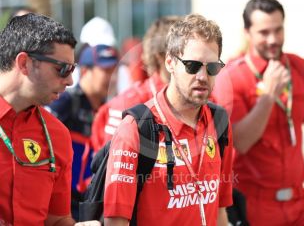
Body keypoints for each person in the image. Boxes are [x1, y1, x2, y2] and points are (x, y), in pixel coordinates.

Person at [212, 0, 304, 225]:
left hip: (299, 200)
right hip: (255, 203)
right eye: (264, 32)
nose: (273, 39)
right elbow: (240, 141)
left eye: (278, 30)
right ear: (247, 33)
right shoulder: (231, 77)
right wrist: (269, 95)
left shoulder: (302, 68)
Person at [103, 14, 233, 226]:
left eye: (212, 68)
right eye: (192, 66)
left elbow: (220, 212)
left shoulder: (219, 121)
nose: (202, 76)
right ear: (170, 63)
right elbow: (116, 222)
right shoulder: (135, 128)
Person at [0, 13, 99, 225]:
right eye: (62, 69)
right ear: (24, 63)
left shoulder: (57, 134)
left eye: (73, 69)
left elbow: (57, 220)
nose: (71, 80)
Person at [46, 44, 118, 220]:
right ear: (85, 71)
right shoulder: (64, 102)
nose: (113, 78)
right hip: (64, 204)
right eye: (106, 70)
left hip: (94, 200)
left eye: (114, 71)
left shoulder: (111, 108)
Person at [91, 15, 180, 151]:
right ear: (161, 57)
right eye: (181, 55)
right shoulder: (129, 102)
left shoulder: (202, 100)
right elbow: (108, 164)